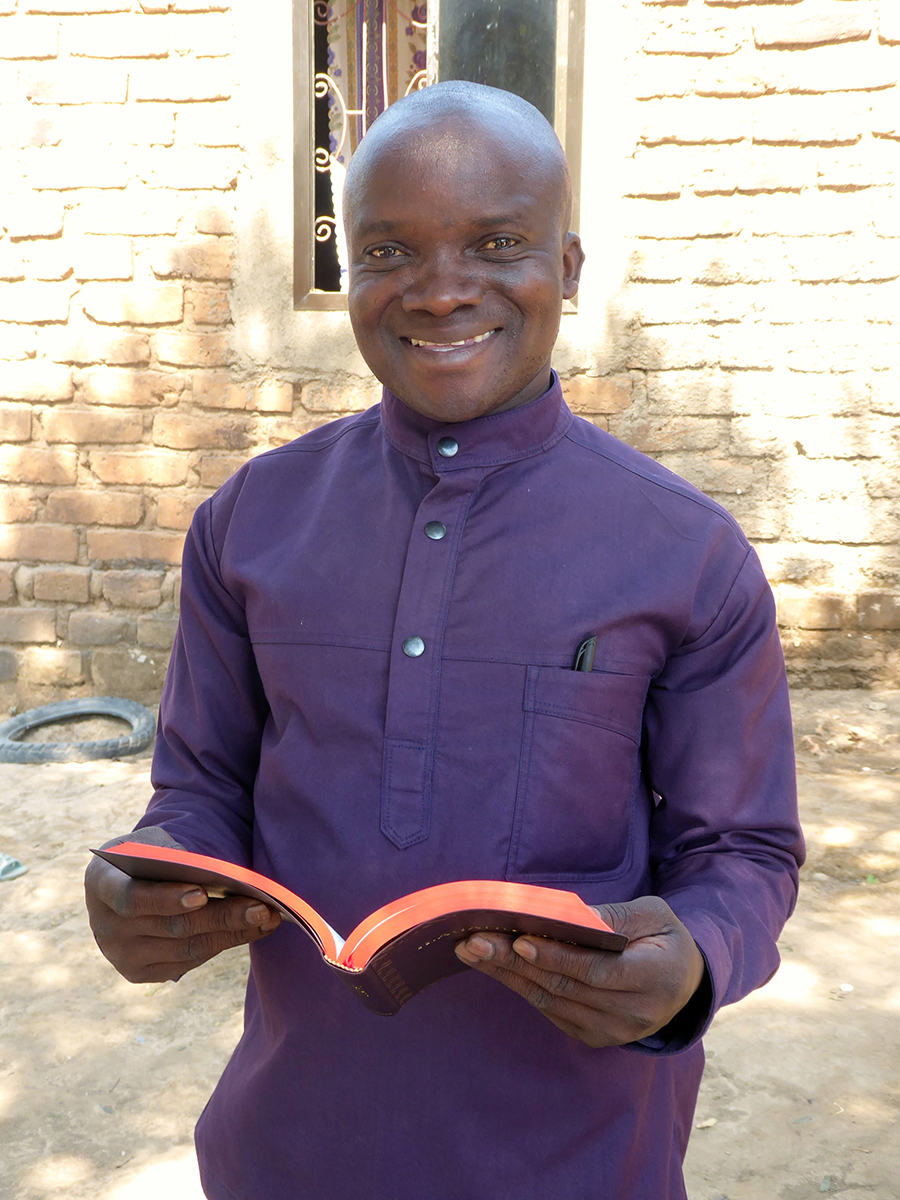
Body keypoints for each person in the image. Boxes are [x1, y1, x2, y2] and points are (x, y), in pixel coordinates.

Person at [85, 82, 804, 1200]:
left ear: (566, 266)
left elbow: (745, 853)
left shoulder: (686, 553)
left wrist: (699, 956)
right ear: (350, 274)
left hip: (578, 1157)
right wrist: (147, 887)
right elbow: (199, 789)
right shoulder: (251, 523)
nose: (441, 289)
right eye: (389, 250)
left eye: (496, 242)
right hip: (290, 1147)